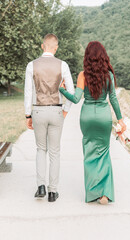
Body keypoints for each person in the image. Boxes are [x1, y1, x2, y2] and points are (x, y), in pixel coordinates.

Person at [59, 41, 126, 205]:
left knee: (89, 154)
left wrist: (62, 90)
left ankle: (92, 193)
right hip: (103, 116)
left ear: (87, 57)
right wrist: (120, 119)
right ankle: (105, 193)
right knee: (103, 153)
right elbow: (114, 100)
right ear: (103, 56)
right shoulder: (108, 75)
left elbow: (76, 99)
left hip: (87, 116)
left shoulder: (83, 75)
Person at [24, 33, 74, 202]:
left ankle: (41, 187)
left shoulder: (32, 65)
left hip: (38, 110)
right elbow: (72, 92)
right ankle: (53, 192)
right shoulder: (63, 65)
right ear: (56, 47)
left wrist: (27, 114)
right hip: (56, 111)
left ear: (42, 46)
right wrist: (65, 109)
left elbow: (28, 92)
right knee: (55, 152)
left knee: (40, 149)